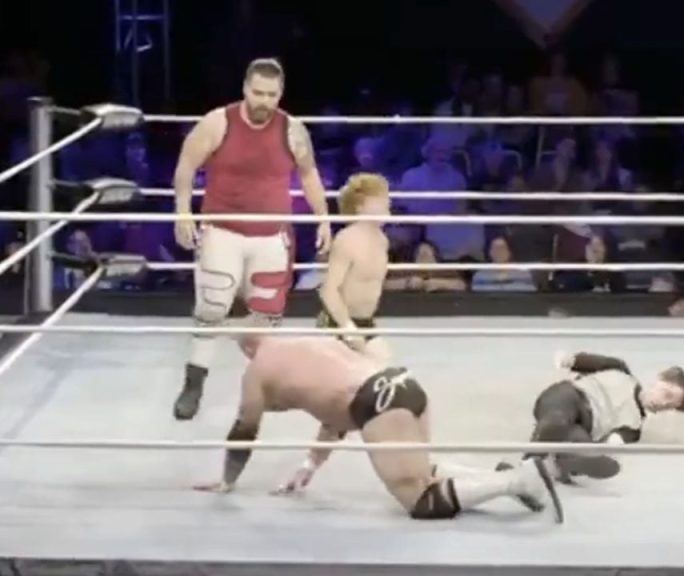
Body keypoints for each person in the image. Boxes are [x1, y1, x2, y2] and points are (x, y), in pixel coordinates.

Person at [193, 334, 564, 523]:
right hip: (403, 384)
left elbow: (244, 431)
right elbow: (333, 411)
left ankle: (517, 481)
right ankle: (501, 478)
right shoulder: (313, 344)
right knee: (420, 471)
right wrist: (311, 464)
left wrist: (227, 481)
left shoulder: (258, 370)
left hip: (378, 403)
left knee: (420, 501)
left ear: (245, 348)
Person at [171, 58, 332, 420]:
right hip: (222, 229)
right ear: (245, 88)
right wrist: (183, 211)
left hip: (272, 235)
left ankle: (266, 387)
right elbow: (186, 166)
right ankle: (193, 384)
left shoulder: (293, 130)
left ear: (281, 94)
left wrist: (324, 219)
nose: (264, 101)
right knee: (212, 307)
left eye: (271, 95)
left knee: (266, 316)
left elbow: (309, 175)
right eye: (258, 93)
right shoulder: (218, 122)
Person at [513, 351, 684, 484]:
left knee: (579, 442)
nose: (662, 403)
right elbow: (581, 360)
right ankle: (526, 469)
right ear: (660, 379)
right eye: (666, 394)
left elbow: (614, 441)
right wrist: (568, 359)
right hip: (570, 397)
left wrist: (608, 449)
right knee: (558, 419)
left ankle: (566, 462)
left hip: (583, 426)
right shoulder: (620, 370)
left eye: (669, 406)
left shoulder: (633, 428)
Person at [315, 173, 393, 362]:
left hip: (366, 321)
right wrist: (347, 328)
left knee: (382, 365)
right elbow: (329, 290)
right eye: (379, 199)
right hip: (338, 322)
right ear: (360, 206)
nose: (387, 203)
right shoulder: (347, 240)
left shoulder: (382, 240)